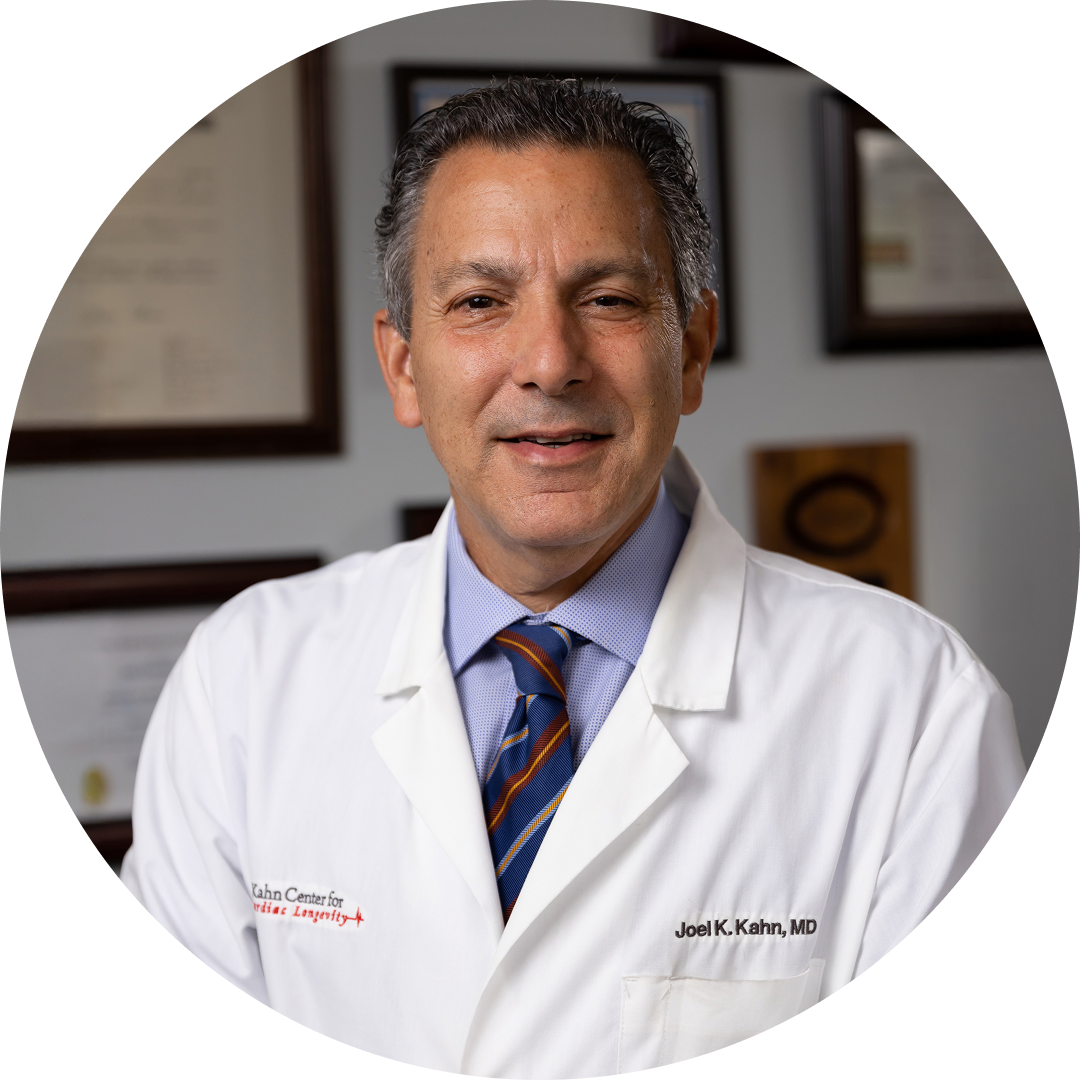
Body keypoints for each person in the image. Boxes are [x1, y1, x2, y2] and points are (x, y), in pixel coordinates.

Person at [121, 78, 1025, 1073]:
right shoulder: (244, 677)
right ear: (404, 368)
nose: (550, 362)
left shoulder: (913, 707)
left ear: (691, 351)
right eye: (479, 302)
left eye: (608, 299)